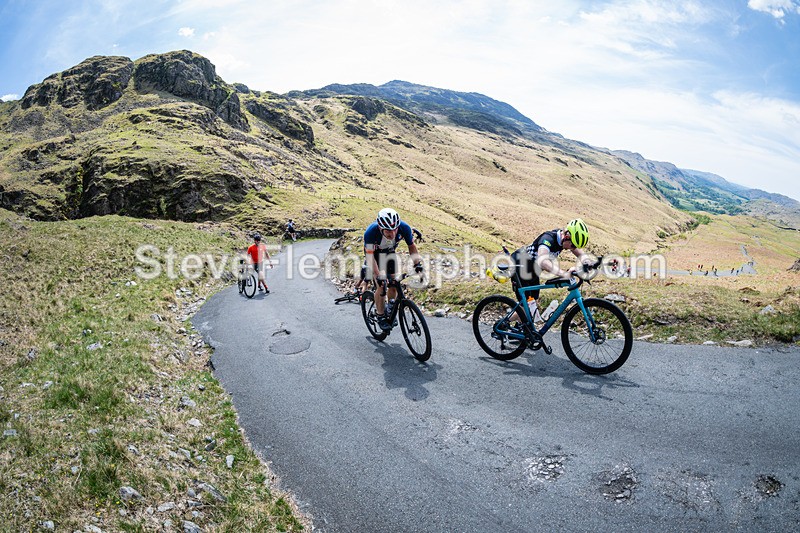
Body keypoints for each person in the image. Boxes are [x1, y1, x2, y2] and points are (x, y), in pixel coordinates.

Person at [509, 218, 590, 322]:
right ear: (567, 236)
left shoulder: (565, 241)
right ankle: (503, 323)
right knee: (527, 307)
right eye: (573, 245)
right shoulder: (548, 239)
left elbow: (581, 255)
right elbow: (542, 261)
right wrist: (563, 273)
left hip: (532, 271)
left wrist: (591, 264)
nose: (572, 248)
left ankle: (523, 331)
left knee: (532, 304)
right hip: (519, 268)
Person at [364, 208, 423, 331]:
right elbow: (370, 257)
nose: (393, 234)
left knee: (394, 283)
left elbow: (411, 246)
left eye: (395, 229)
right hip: (373, 256)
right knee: (381, 285)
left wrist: (417, 264)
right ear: (380, 228)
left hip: (389, 253)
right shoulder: (371, 232)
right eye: (388, 231)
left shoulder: (404, 228)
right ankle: (380, 315)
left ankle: (391, 306)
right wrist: (378, 276)